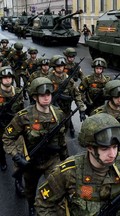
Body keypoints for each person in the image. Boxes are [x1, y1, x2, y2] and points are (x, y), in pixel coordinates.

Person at [34, 113, 120, 216]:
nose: (112, 154)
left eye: (115, 147)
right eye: (105, 148)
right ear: (90, 148)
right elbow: (42, 203)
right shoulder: (69, 172)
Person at [3, 77, 67, 216]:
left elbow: (62, 139)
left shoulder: (59, 114)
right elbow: (7, 138)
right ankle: (31, 205)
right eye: (42, 95)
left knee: (58, 188)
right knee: (30, 190)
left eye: (48, 94)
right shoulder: (24, 116)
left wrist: (65, 158)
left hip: (52, 160)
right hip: (31, 161)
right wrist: (16, 156)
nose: (46, 98)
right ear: (34, 96)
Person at [47, 55, 86, 138]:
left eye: (62, 66)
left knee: (65, 130)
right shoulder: (48, 79)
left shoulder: (68, 79)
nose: (60, 68)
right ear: (54, 67)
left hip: (66, 111)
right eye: (58, 66)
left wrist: (81, 109)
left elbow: (77, 94)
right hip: (52, 111)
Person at [0, 67, 24, 171]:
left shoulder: (18, 92)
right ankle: (2, 160)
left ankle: (17, 168)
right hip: (0, 124)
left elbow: (21, 110)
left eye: (9, 77)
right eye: (5, 77)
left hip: (14, 125)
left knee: (19, 147)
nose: (7, 79)